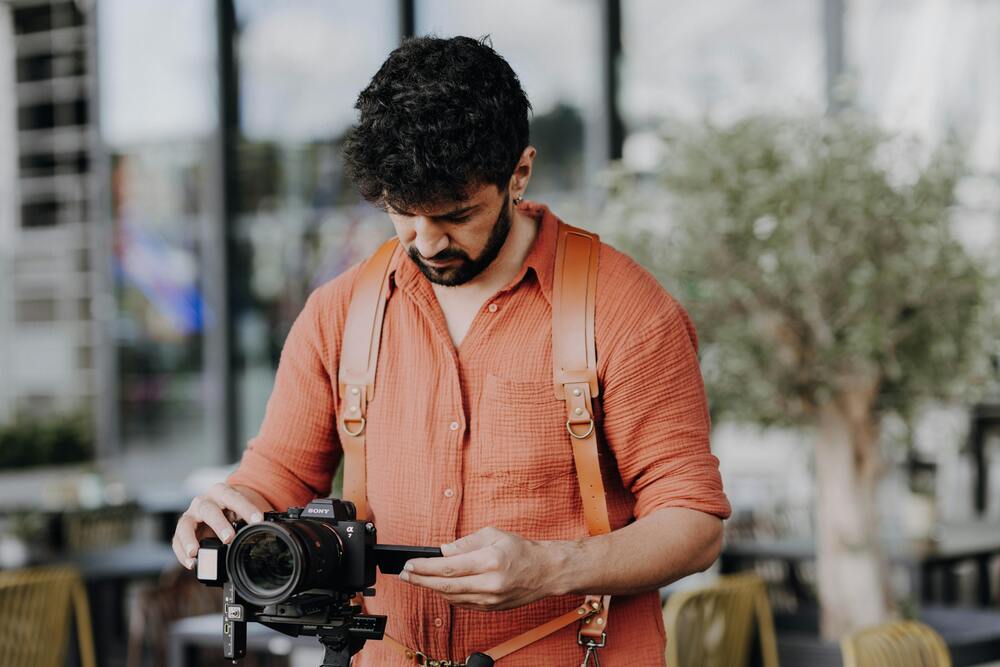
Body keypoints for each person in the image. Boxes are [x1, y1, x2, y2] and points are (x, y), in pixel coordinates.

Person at [172, 35, 730, 665]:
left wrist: (553, 567)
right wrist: (226, 509)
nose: (427, 242)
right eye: (403, 213)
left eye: (458, 215)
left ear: (519, 173)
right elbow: (279, 473)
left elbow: (694, 523)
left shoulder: (624, 309)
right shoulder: (339, 312)